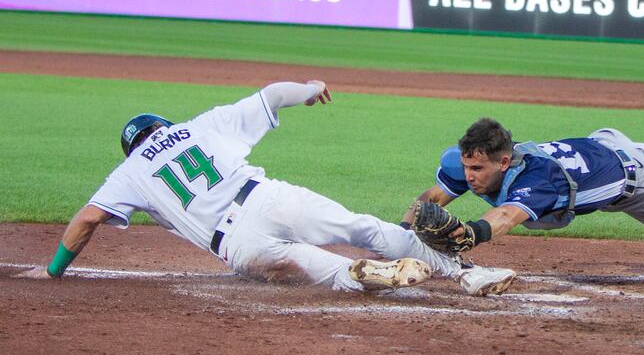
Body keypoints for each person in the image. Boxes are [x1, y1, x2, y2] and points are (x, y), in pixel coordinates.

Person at [14, 82, 516, 296]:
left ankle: (363, 275)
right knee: (366, 227)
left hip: (237, 243)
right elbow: (274, 94)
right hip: (269, 197)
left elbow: (87, 219)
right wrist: (307, 88)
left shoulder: (128, 173)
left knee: (328, 273)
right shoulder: (198, 125)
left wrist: (54, 269)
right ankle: (467, 273)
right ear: (162, 126)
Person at [404, 118, 644, 278]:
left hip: (641, 179)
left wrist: (470, 233)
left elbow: (505, 217)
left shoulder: (536, 178)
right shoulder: (473, 162)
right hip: (600, 147)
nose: (469, 177)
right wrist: (402, 230)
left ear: (504, 160)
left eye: (478, 171)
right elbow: (431, 199)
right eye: (467, 168)